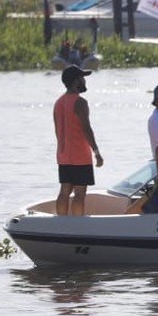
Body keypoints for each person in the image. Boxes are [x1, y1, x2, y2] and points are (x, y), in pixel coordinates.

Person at [53, 65, 104, 216]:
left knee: (64, 191)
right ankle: (77, 224)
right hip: (80, 155)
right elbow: (86, 129)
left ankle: (61, 221)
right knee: (79, 194)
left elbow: (57, 130)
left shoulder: (58, 102)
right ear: (76, 81)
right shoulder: (80, 102)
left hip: (62, 155)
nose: (84, 81)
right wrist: (96, 152)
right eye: (82, 78)